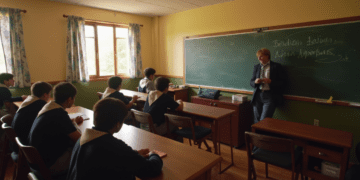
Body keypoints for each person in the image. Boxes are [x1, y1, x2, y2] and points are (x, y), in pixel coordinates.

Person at [67, 98, 163, 180]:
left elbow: (110, 158)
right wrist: (154, 155)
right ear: (117, 124)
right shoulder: (114, 146)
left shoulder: (83, 139)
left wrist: (135, 154)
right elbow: (150, 170)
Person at [28, 82, 83, 176]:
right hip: (49, 165)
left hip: (37, 161)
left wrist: (72, 123)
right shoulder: (59, 114)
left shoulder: (48, 108)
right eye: (74, 98)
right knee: (86, 153)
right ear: (69, 99)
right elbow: (80, 140)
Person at [11, 81, 52, 155]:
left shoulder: (29, 100)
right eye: (49, 94)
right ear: (45, 95)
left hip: (18, 143)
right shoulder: (40, 104)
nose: (50, 96)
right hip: (27, 148)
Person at [250, 48, 286, 124]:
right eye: (258, 57)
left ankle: (262, 136)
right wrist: (255, 82)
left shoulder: (276, 66)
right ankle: (256, 136)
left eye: (261, 56)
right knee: (256, 120)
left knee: (264, 121)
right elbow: (251, 82)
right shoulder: (257, 67)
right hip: (258, 96)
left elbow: (283, 83)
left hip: (270, 96)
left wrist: (271, 82)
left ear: (267, 56)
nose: (259, 58)